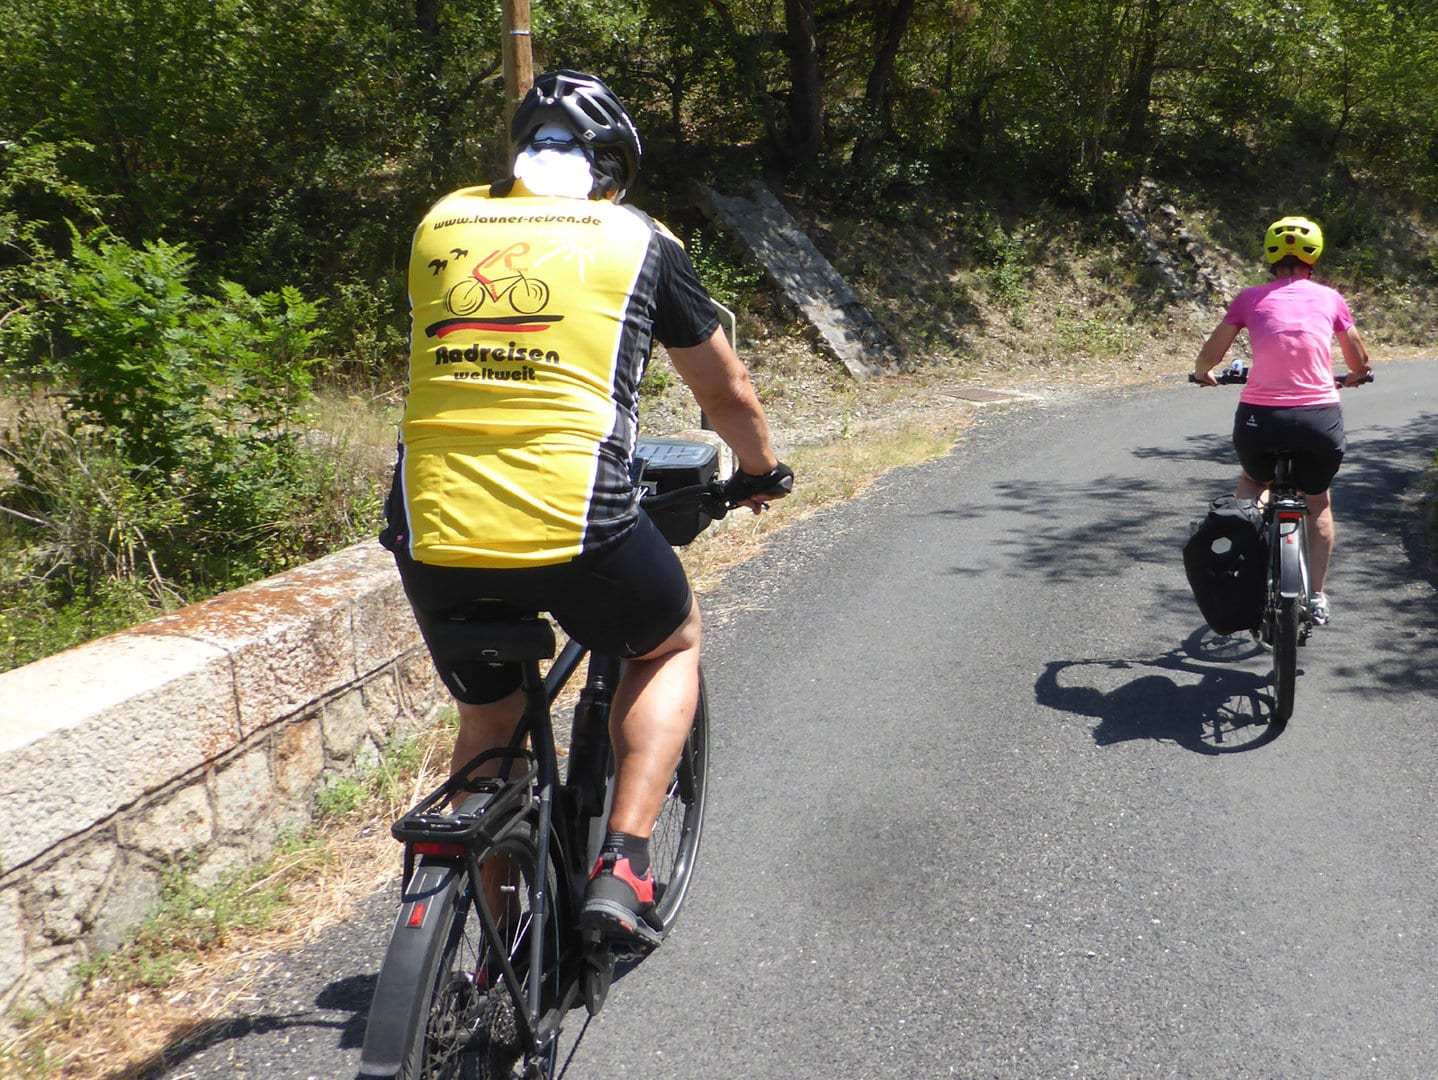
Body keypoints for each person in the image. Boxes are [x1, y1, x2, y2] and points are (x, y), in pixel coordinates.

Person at [379, 69, 792, 944]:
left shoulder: (440, 224)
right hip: (580, 518)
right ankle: (625, 862)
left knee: (491, 719)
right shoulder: (638, 239)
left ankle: (487, 941)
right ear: (613, 172)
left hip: (432, 523)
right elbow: (730, 396)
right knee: (668, 642)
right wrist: (758, 472)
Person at [1192, 215, 1372, 625]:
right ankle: (1319, 596)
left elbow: (1211, 354)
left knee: (1256, 481)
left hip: (1261, 421)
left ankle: (1242, 561)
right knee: (1318, 502)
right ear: (1314, 257)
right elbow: (1358, 359)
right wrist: (1356, 375)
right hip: (1318, 421)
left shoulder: (1248, 298)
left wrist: (1203, 372)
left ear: (1271, 256)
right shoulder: (1331, 299)